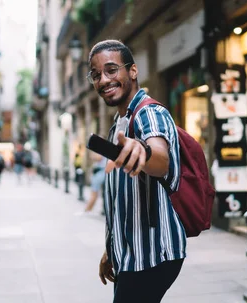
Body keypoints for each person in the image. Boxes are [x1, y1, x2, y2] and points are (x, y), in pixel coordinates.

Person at [88, 40, 185, 303]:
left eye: (111, 70)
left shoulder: (149, 113)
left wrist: (143, 152)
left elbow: (160, 159)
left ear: (133, 71)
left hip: (152, 255)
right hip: (132, 254)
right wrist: (112, 248)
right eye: (96, 75)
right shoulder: (119, 123)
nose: (104, 80)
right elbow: (122, 197)